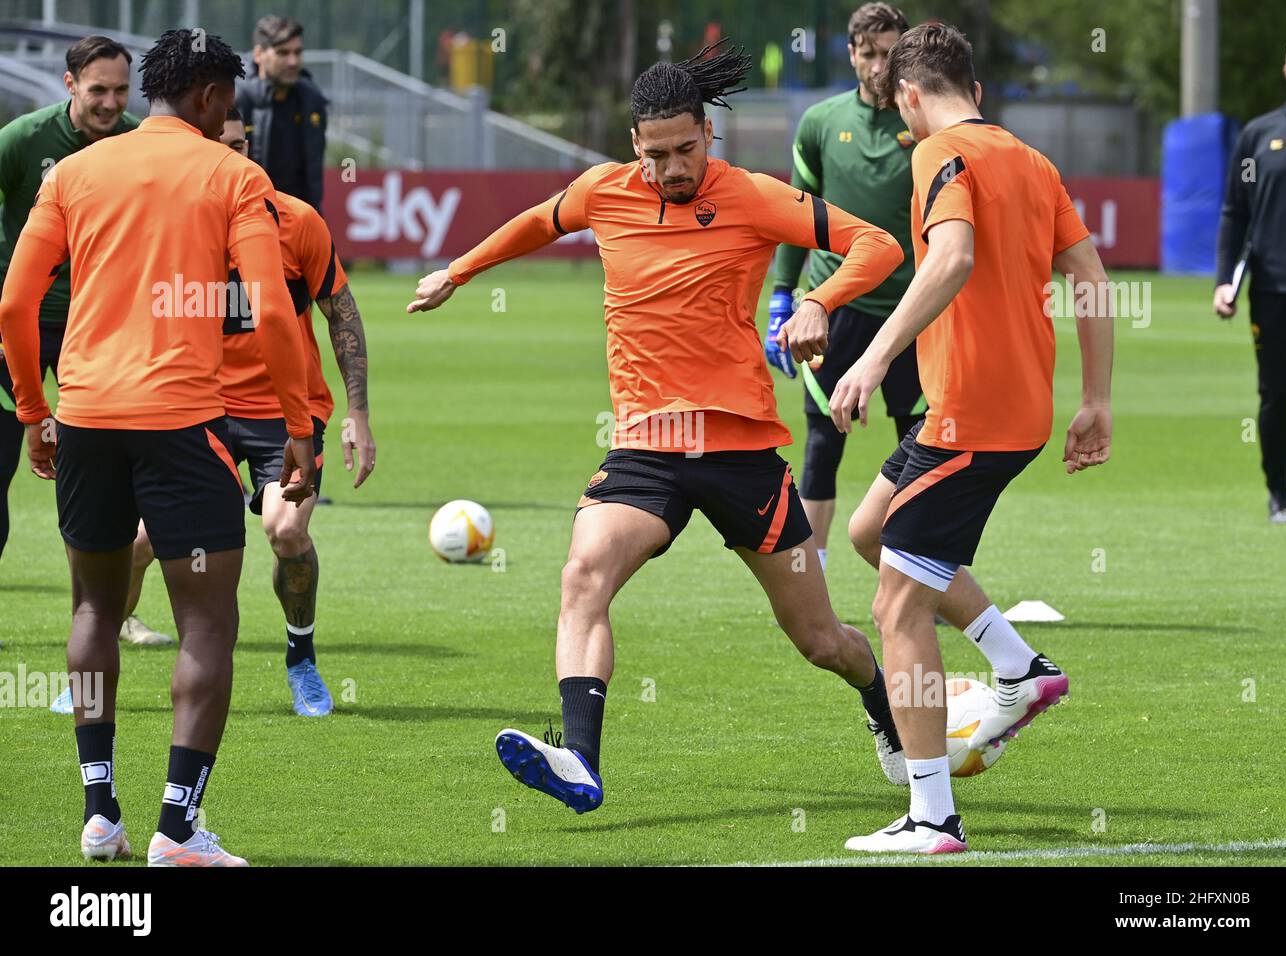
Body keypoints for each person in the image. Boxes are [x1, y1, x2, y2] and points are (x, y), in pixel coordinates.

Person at [408, 42, 909, 813]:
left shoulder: (752, 195)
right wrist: (459, 271)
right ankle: (580, 759)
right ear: (631, 145)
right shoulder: (602, 192)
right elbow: (535, 225)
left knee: (821, 642)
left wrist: (818, 302)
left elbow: (878, 244)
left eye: (685, 150)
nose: (673, 169)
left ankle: (882, 707)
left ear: (708, 135)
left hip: (742, 452)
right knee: (584, 575)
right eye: (656, 154)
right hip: (646, 447)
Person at [782, 22, 1113, 853]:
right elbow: (1093, 280)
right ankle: (1020, 667)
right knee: (866, 533)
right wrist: (1096, 400)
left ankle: (931, 817)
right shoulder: (1033, 160)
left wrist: (875, 356)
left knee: (897, 604)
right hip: (1002, 411)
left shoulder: (939, 155)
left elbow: (953, 256)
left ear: (910, 95)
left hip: (970, 416)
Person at [0, 29, 316, 867]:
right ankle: (178, 829)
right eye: (229, 103)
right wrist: (296, 426)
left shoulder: (73, 172)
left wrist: (36, 410)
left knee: (94, 609)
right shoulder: (233, 175)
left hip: (90, 422)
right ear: (212, 98)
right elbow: (275, 311)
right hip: (183, 428)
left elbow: (13, 304)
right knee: (207, 622)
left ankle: (99, 811)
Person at [125, 108, 377, 718]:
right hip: (197, 407)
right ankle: (103, 643)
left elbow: (340, 313)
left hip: (285, 413)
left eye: (241, 144)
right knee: (136, 544)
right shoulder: (175, 227)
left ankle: (302, 657)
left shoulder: (297, 221)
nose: (235, 156)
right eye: (221, 145)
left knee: (287, 532)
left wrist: (358, 413)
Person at [766, 2, 922, 570]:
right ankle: (816, 575)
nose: (881, 65)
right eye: (870, 52)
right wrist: (782, 297)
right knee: (822, 442)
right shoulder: (820, 124)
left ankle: (918, 570)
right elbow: (794, 217)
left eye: (891, 53)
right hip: (833, 311)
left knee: (920, 440)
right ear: (853, 53)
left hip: (912, 311)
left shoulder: (927, 121)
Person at [0, 37, 145, 591]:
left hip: (102, 330)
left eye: (121, 90)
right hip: (20, 325)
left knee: (115, 471)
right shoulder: (24, 139)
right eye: (98, 90)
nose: (111, 103)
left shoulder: (136, 142)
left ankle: (114, 609)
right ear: (69, 85)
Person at [1213, 36, 1286, 525]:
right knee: (1277, 394)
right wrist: (1224, 281)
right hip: (1274, 291)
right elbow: (1235, 212)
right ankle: (1280, 496)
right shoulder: (1258, 137)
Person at [235, 15, 327, 210]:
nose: (293, 61)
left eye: (297, 52)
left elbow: (313, 175)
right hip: (249, 217)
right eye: (283, 53)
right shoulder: (233, 99)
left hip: (298, 218)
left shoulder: (312, 101)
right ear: (259, 54)